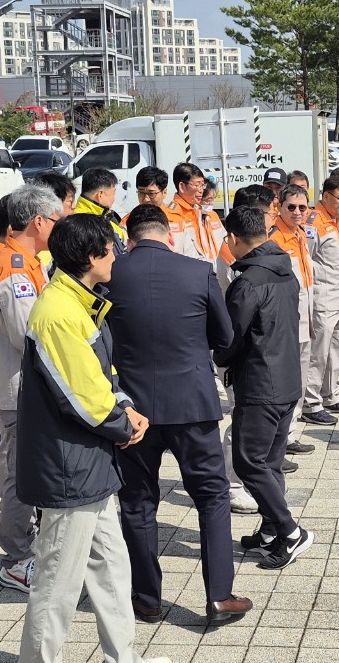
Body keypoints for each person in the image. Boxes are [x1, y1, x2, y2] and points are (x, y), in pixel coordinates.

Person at [15, 214, 165, 663]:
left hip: (88, 463)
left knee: (111, 567)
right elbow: (81, 396)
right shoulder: (58, 312)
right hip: (70, 468)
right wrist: (124, 424)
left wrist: (126, 408)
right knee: (57, 583)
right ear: (91, 257)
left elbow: (99, 375)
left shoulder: (78, 301)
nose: (117, 256)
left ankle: (124, 657)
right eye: (111, 249)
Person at [105, 204, 253, 625]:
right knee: (211, 497)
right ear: (169, 234)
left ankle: (146, 598)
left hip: (131, 408)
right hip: (192, 403)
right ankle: (219, 597)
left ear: (128, 238)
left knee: (137, 501)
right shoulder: (198, 271)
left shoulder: (111, 273)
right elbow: (224, 336)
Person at [215, 206, 314, 570]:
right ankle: (271, 530)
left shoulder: (247, 283)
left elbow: (232, 336)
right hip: (287, 378)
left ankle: (290, 531)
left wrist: (219, 357)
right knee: (270, 462)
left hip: (260, 383)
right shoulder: (285, 271)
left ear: (233, 238)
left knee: (248, 461)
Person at [0, 186, 62, 593]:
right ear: (39, 222)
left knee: (25, 469)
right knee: (17, 473)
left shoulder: (23, 261)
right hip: (20, 388)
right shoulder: (13, 269)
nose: (60, 228)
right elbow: (28, 334)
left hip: (23, 386)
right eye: (58, 221)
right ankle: (16, 558)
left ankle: (29, 548)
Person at [215, 186, 278, 514]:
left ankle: (249, 477)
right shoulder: (234, 256)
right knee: (241, 419)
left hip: (256, 350)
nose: (271, 218)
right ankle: (233, 484)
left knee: (250, 421)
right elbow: (237, 318)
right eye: (266, 213)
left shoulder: (259, 253)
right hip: (240, 353)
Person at [301, 176, 339, 426]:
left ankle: (330, 395)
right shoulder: (314, 223)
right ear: (326, 197)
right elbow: (307, 259)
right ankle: (310, 403)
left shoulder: (338, 221)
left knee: (336, 350)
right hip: (323, 300)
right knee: (318, 353)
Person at [269, 184, 318, 457]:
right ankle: (278, 439)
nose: (297, 212)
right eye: (291, 207)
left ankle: (290, 434)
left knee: (299, 381)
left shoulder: (301, 234)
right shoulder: (274, 237)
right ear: (279, 207)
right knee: (284, 383)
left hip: (305, 320)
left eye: (302, 207)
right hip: (285, 324)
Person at [166, 162, 215, 261]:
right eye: (197, 185)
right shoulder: (171, 215)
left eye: (202, 185)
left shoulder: (201, 212)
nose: (201, 190)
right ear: (182, 187)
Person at [75, 167, 129, 255]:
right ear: (100, 195)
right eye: (113, 193)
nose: (114, 199)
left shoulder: (104, 216)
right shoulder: (95, 225)